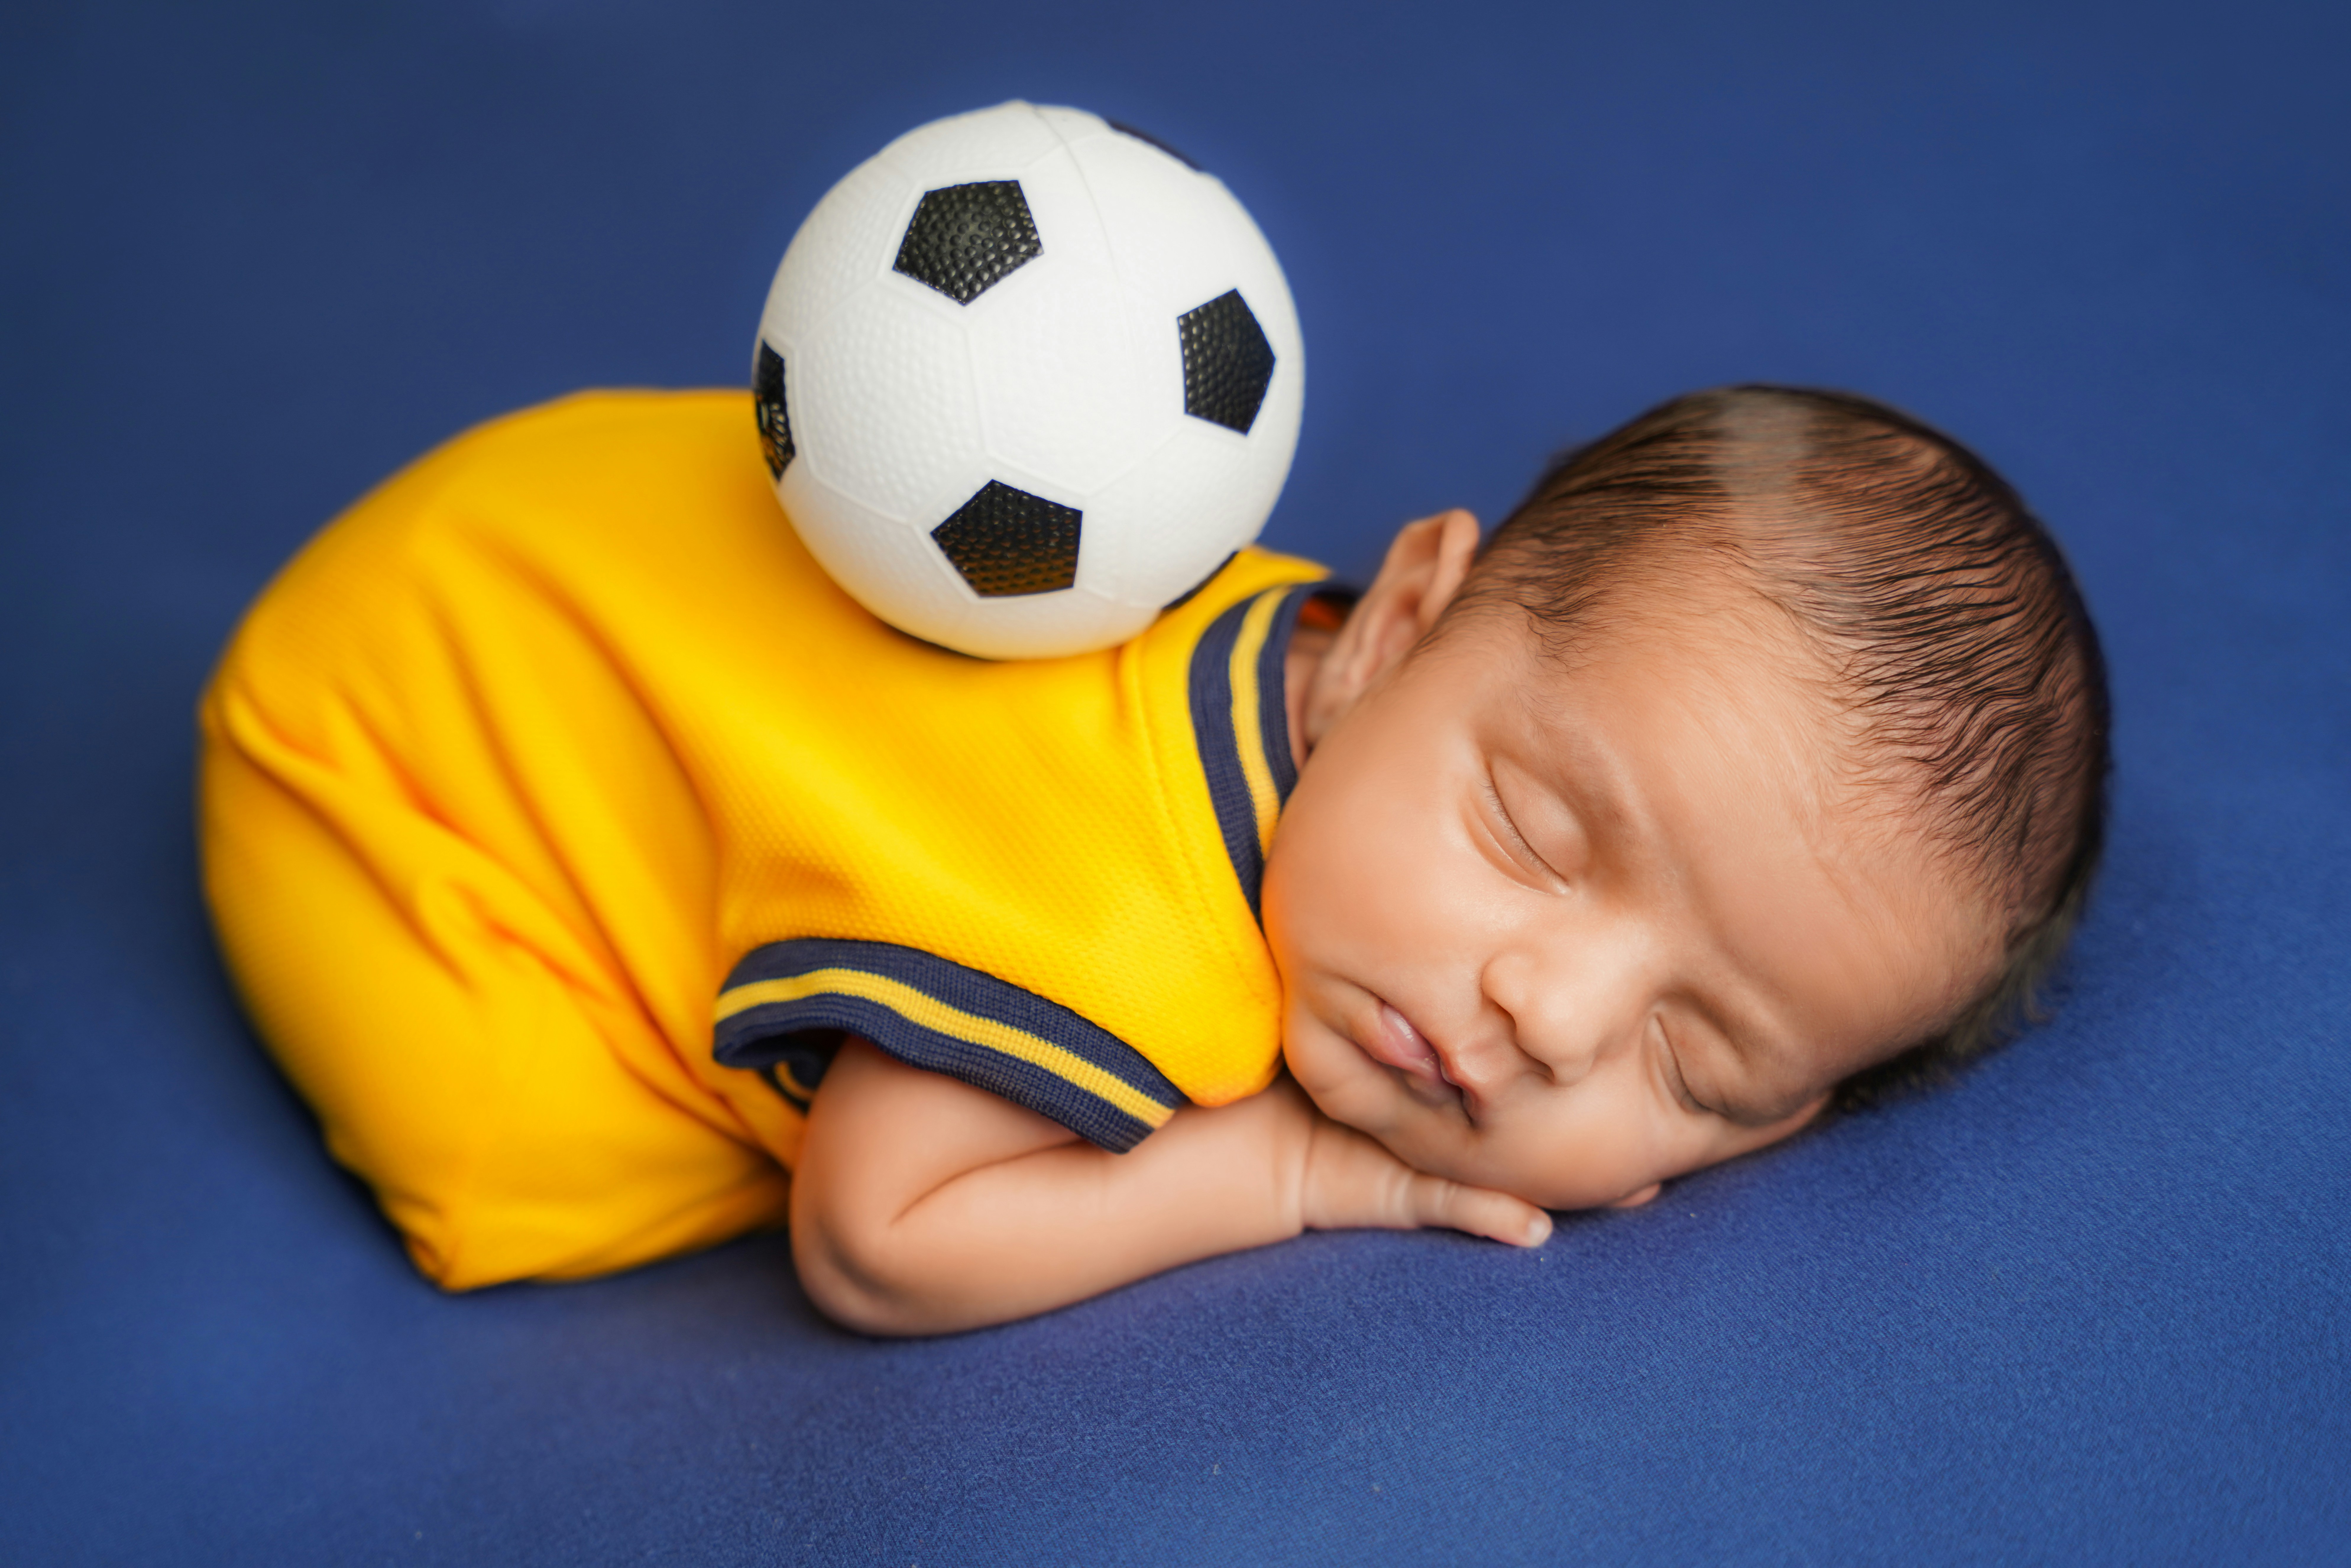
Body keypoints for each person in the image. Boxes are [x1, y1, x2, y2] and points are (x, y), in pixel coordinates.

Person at [199, 383, 2108, 1335]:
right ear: (1402, 619)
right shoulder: (1133, 943)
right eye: (1532, 831)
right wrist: (1278, 1163)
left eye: (1699, 1067)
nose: (1549, 1012)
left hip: (514, 555)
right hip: (379, 780)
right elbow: (873, 1239)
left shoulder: (1290, 651)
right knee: (536, 1165)